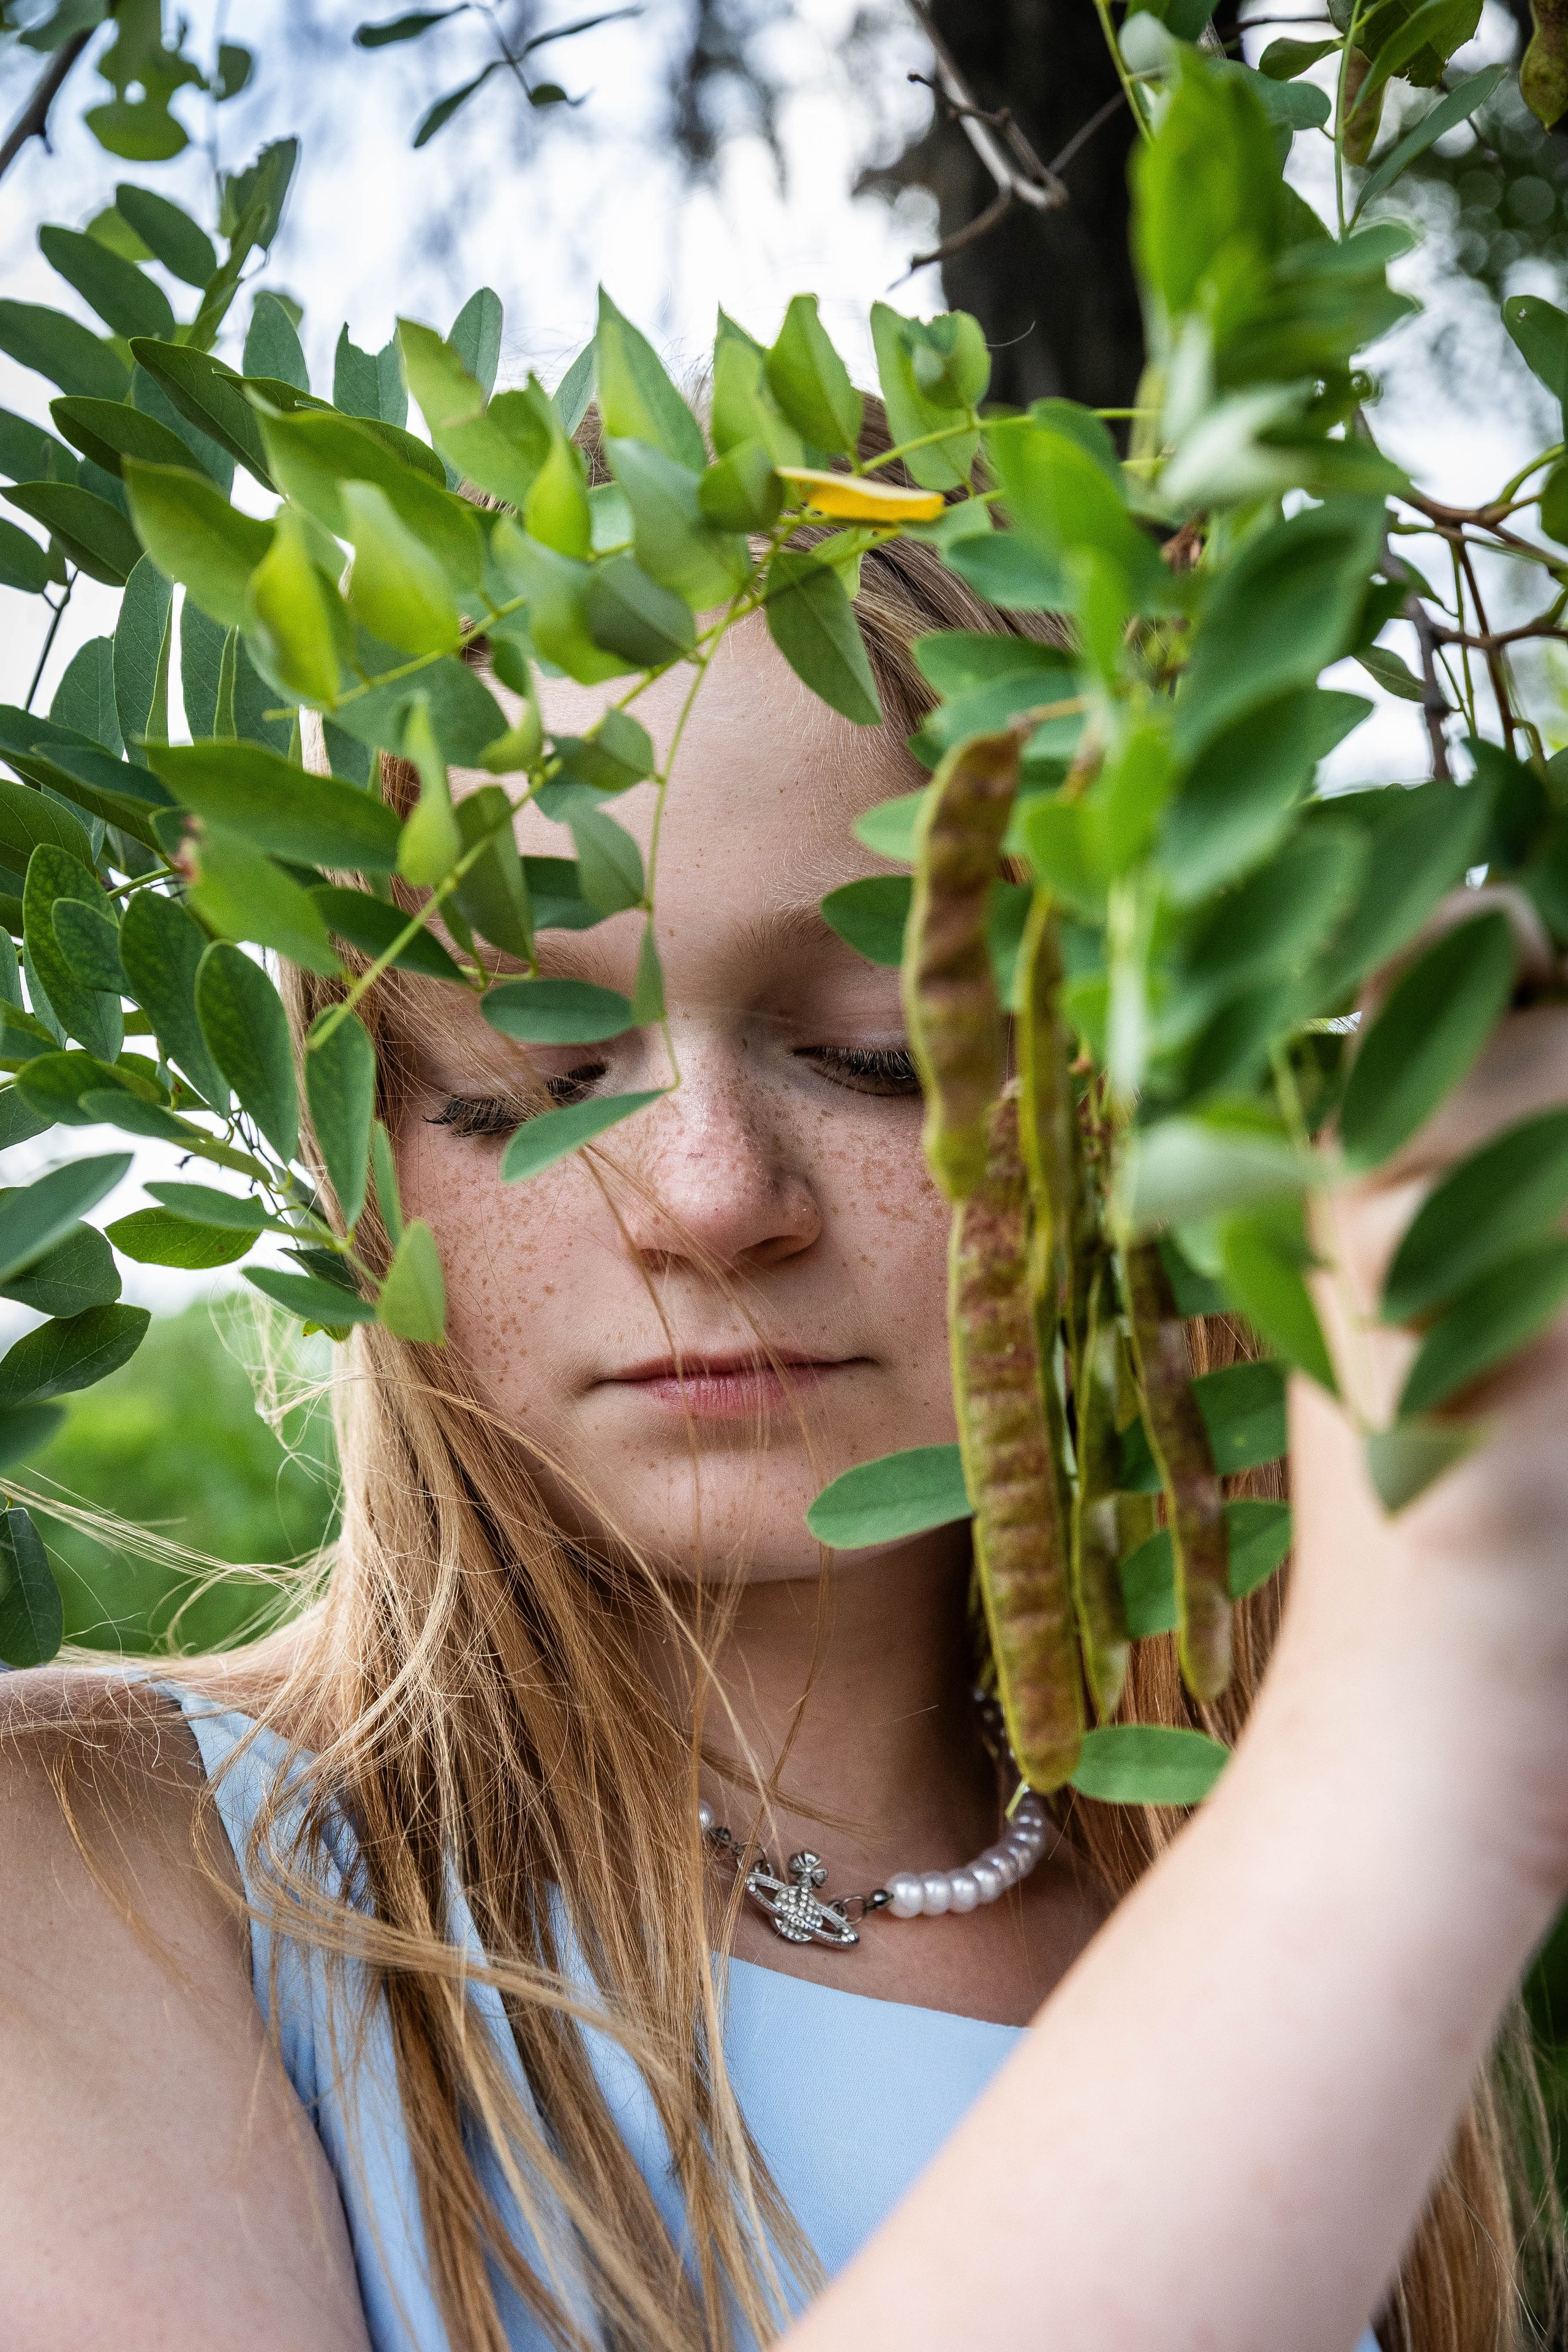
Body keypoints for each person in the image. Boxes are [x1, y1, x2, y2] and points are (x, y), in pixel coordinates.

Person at [1, 409, 1564, 2352]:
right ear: (357, 1147)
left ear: (1125, 1096)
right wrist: (1410, 1750)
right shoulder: (89, 1858)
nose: (709, 1196)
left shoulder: (1222, 1873)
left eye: (880, 1053)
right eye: (535, 1083)